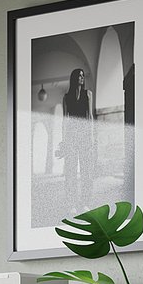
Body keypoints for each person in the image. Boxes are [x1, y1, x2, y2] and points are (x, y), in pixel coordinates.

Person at [59, 67, 95, 211]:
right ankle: (72, 203)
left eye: (83, 75)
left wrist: (91, 137)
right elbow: (64, 120)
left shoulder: (88, 94)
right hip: (71, 137)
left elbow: (90, 117)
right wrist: (63, 141)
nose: (82, 78)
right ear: (74, 78)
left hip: (85, 136)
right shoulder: (66, 97)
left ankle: (85, 202)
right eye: (79, 76)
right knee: (71, 172)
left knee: (86, 171)